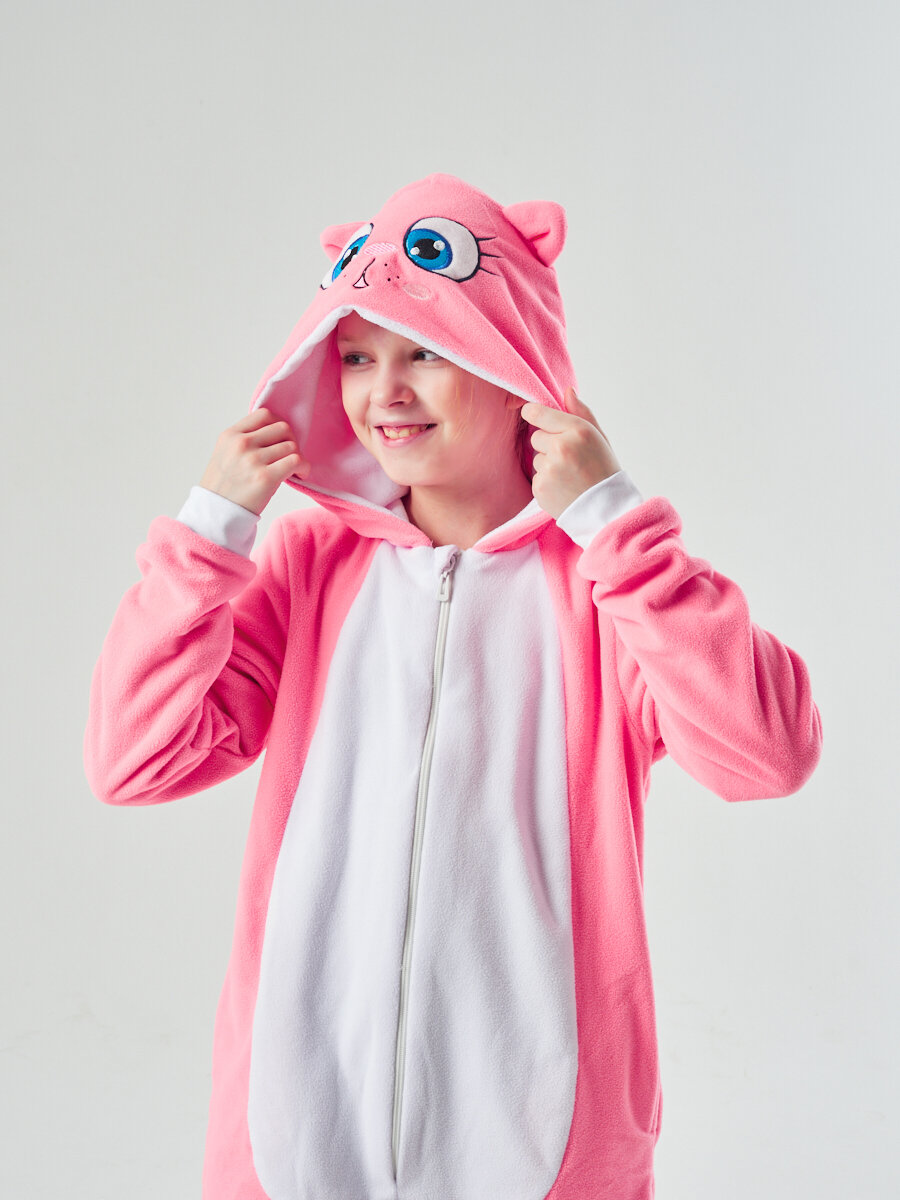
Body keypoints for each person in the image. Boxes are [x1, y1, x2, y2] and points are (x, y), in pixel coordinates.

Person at [84, 172, 823, 1200]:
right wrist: (209, 535)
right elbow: (133, 760)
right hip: (297, 1141)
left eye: (424, 351)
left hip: (549, 1148)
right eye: (356, 356)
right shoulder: (308, 570)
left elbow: (767, 755)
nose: (383, 392)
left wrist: (616, 527)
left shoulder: (607, 587)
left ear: (513, 362)